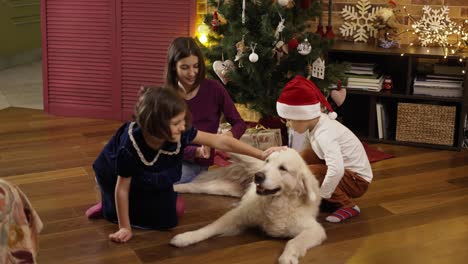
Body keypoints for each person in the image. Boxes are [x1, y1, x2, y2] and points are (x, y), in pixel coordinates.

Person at [88, 87, 267, 243]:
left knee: (173, 213)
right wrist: (125, 228)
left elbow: (222, 142)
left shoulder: (181, 132)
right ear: (155, 125)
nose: (182, 127)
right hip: (116, 177)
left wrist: (262, 154)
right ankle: (108, 206)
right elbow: (122, 188)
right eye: (176, 123)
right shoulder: (130, 147)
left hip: (149, 175)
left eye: (183, 121)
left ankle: (115, 207)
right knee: (121, 196)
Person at [275, 75, 373, 223]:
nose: (288, 124)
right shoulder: (314, 124)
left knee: (311, 173)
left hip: (357, 180)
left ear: (303, 116)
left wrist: (323, 194)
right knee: (302, 159)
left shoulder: (324, 134)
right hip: (343, 172)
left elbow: (337, 169)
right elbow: (306, 154)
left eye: (289, 119)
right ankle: (315, 194)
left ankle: (348, 205)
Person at [164, 37, 247, 183]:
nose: (192, 73)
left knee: (159, 184)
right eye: (185, 67)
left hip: (193, 165)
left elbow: (239, 123)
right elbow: (165, 144)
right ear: (173, 67)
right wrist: (195, 151)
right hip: (166, 158)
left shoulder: (214, 89)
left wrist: (228, 135)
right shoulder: (166, 96)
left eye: (195, 66)